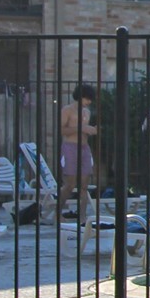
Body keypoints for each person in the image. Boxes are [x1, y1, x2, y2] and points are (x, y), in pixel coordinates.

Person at [58, 84, 98, 217]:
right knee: (70, 184)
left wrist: (91, 130)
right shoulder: (67, 110)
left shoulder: (87, 112)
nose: (89, 102)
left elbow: (85, 130)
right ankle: (58, 213)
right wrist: (81, 128)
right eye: (87, 99)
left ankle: (82, 216)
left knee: (84, 185)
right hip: (70, 147)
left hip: (84, 147)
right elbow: (62, 130)